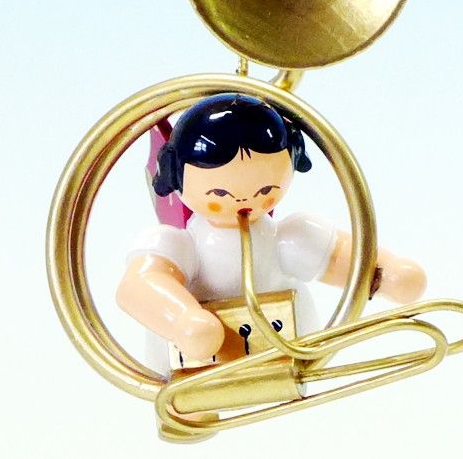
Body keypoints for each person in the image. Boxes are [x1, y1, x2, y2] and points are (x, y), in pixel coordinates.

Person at [116, 93, 426, 375]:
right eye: (219, 193)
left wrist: (385, 274)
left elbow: (336, 258)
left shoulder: (291, 237)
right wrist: (182, 320)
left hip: (285, 357)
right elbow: (139, 286)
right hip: (197, 366)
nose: (243, 201)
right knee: (191, 391)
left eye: (266, 190)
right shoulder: (178, 245)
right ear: (174, 175)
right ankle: (191, 404)